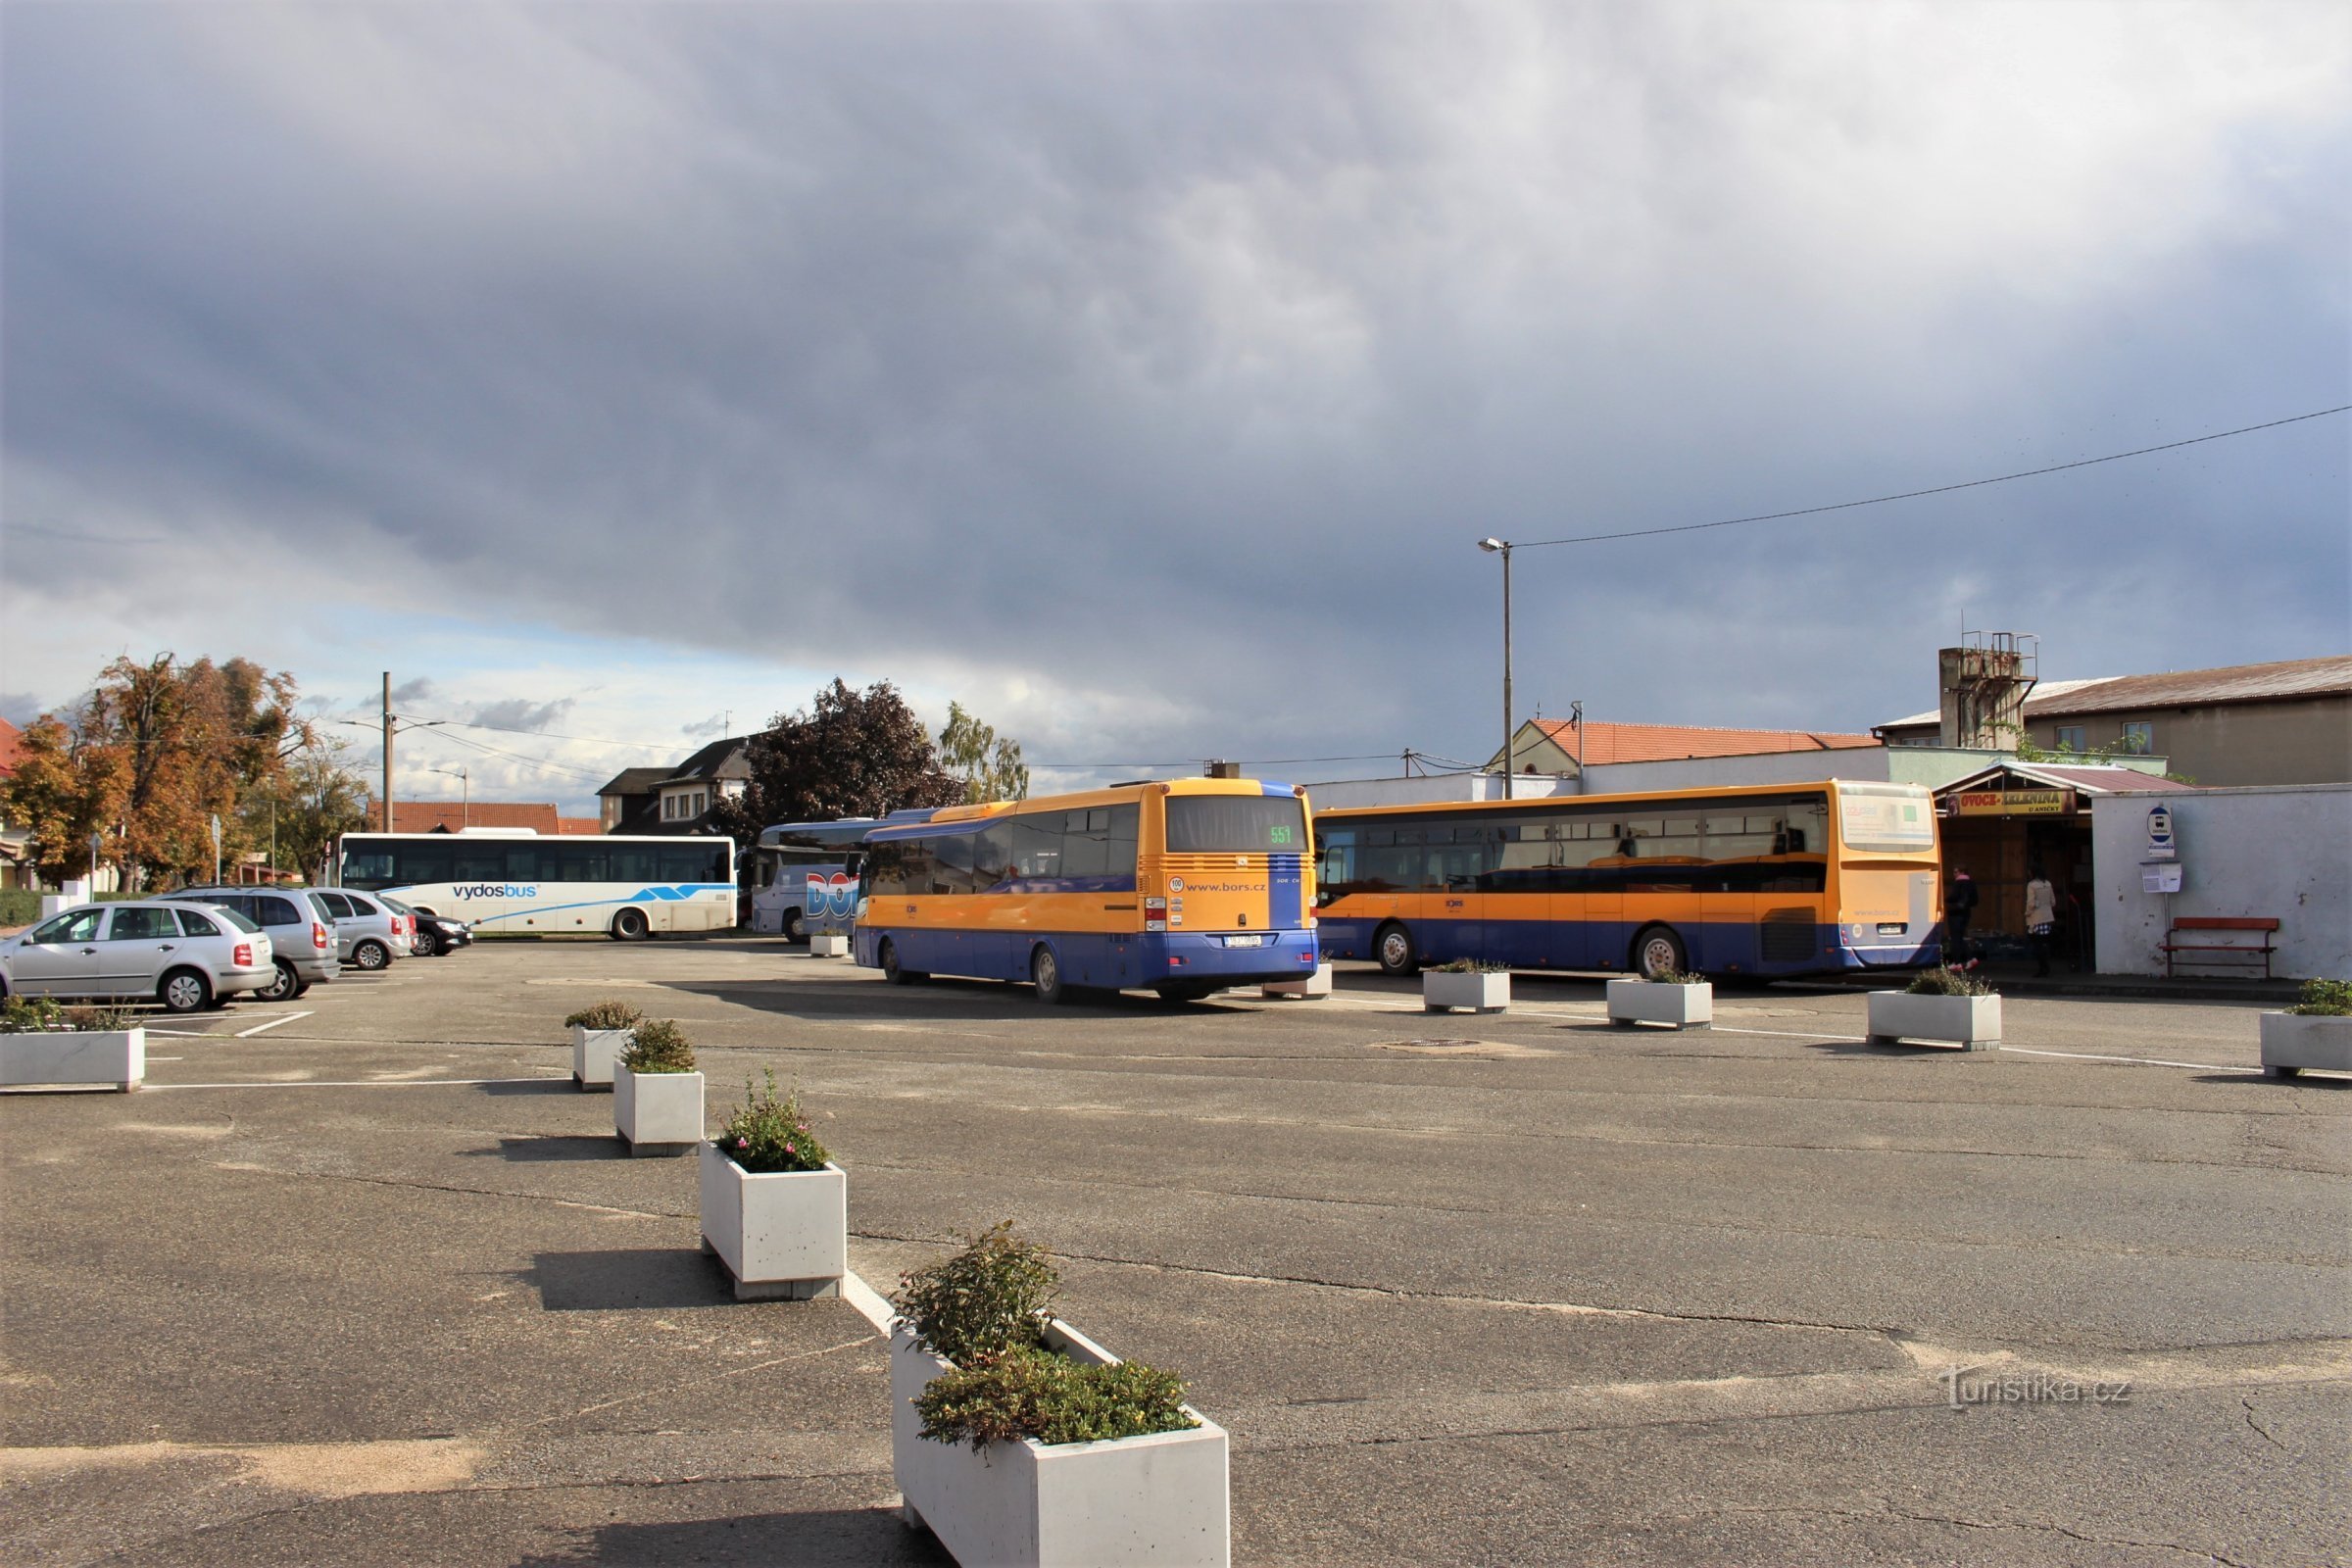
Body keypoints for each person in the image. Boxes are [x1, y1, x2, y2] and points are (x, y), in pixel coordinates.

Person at [2024, 864, 2058, 978]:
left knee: (2036, 944)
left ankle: (2042, 967)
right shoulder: (2048, 884)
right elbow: (2053, 902)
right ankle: (2046, 966)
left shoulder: (2032, 885)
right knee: (2044, 943)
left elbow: (2031, 903)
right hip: (2047, 917)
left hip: (2036, 918)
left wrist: (2027, 913)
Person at [1946, 866, 1980, 968]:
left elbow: (1953, 897)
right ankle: (1971, 958)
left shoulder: (1958, 883)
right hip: (1966, 913)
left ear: (1962, 872)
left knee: (1955, 938)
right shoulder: (1972, 883)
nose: (1954, 874)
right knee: (1960, 937)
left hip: (1955, 913)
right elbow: (1975, 900)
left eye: (1956, 872)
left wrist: (1946, 899)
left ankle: (1957, 962)